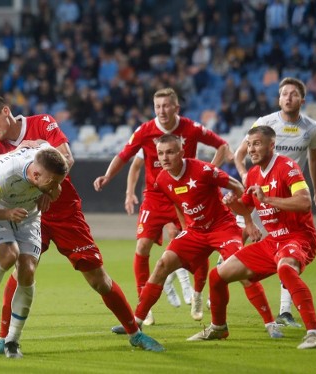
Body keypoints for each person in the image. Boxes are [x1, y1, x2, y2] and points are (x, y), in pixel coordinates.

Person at [0, 95, 163, 357]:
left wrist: (49, 186)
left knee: (97, 278)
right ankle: (5, 339)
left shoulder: (42, 122)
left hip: (64, 210)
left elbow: (67, 157)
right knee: (21, 270)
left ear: (5, 111)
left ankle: (134, 333)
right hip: (28, 214)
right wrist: (33, 167)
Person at [93, 87, 230, 332]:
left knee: (197, 248)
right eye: (157, 106)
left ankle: (198, 293)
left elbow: (223, 146)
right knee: (142, 246)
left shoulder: (191, 128)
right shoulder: (145, 131)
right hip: (155, 196)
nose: (162, 111)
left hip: (186, 195)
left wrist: (206, 173)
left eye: (166, 105)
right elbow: (125, 156)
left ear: (176, 107)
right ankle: (143, 302)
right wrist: (107, 176)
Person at [128, 134, 281, 343]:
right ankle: (135, 322)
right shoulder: (162, 179)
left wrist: (247, 221)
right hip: (195, 231)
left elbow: (237, 185)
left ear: (182, 153)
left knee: (242, 272)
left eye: (170, 152)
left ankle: (270, 323)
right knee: (162, 264)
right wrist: (184, 228)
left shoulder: (203, 170)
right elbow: (177, 202)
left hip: (223, 228)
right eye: (161, 153)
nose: (165, 157)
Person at [189, 126, 316, 349]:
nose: (252, 149)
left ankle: (315, 333)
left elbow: (304, 202)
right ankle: (218, 328)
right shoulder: (253, 174)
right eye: (249, 144)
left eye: (257, 144)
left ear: (271, 145)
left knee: (285, 268)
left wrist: (269, 199)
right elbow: (245, 207)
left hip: (299, 238)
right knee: (218, 276)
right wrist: (232, 202)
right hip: (272, 242)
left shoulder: (287, 167)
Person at [233, 77, 316, 327]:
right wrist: (246, 175)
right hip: (261, 191)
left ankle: (285, 311)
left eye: (293, 94)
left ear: (301, 100)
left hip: (287, 196)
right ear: (279, 98)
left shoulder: (312, 129)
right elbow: (239, 153)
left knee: (287, 248)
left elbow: (314, 160)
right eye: (283, 93)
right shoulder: (264, 123)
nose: (287, 97)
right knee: (240, 230)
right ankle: (226, 270)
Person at [0, 145, 71, 358]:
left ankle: (12, 340)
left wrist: (49, 190)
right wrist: (7, 213)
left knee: (28, 270)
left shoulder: (47, 161)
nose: (57, 187)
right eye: (52, 182)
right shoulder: (4, 175)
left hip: (28, 216)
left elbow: (53, 151)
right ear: (36, 174)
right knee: (8, 255)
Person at [126, 149, 194, 308]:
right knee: (142, 245)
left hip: (177, 195)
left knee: (182, 239)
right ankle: (142, 298)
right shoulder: (147, 139)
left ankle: (173, 283)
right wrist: (129, 192)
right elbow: (134, 164)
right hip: (155, 200)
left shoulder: (182, 137)